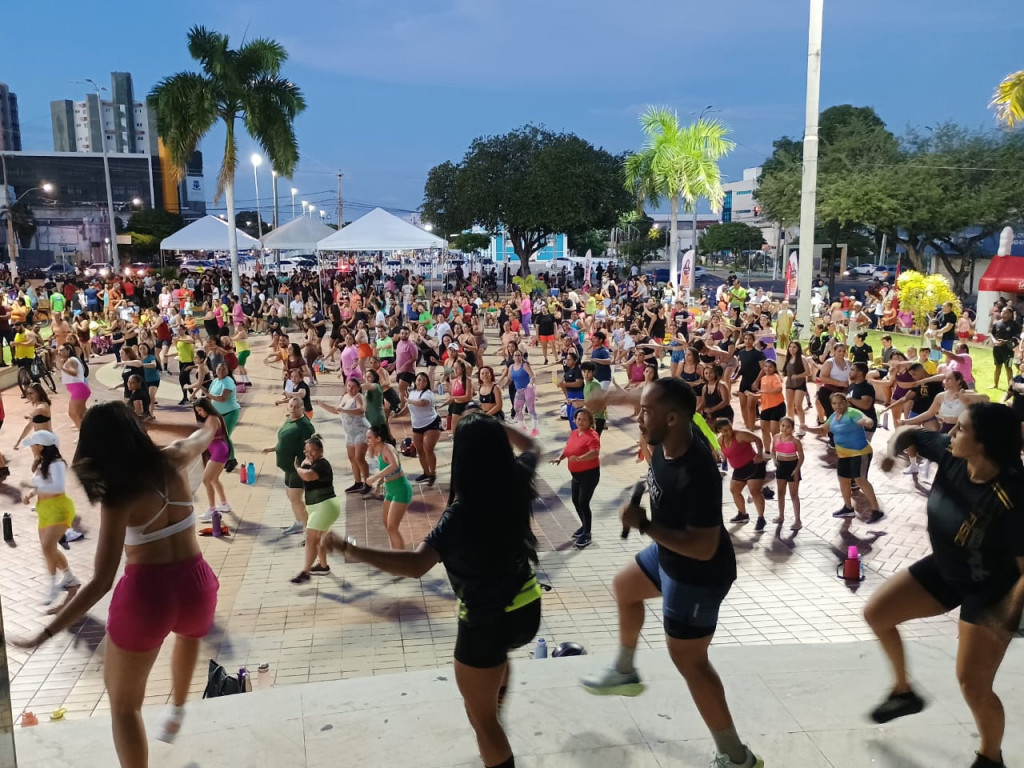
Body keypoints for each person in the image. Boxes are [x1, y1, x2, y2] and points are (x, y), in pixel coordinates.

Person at [321, 415, 542, 768]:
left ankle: (492, 730)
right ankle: (493, 707)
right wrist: (497, 428)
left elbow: (415, 565)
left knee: (480, 720)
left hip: (486, 621)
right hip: (527, 609)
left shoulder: (461, 514)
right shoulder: (516, 480)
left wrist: (351, 549)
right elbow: (532, 446)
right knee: (492, 680)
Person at [11, 402, 220, 765]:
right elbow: (205, 434)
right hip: (197, 586)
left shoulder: (119, 495)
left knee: (124, 707)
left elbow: (101, 581)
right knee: (188, 636)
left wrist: (47, 633)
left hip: (147, 598)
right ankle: (178, 709)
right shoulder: (174, 457)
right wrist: (212, 420)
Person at [579, 379, 762, 768]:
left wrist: (644, 525)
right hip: (668, 555)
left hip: (697, 574)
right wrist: (609, 398)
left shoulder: (697, 473)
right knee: (625, 587)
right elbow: (654, 397)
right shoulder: (673, 427)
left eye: (645, 413)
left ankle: (736, 757)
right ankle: (626, 672)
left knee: (691, 663)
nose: (638, 418)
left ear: (673, 419)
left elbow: (704, 547)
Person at [866, 404, 1024, 768]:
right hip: (947, 568)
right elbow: (906, 432)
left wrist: (1007, 613)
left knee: (973, 684)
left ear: (983, 444)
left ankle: (990, 757)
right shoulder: (950, 453)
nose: (951, 433)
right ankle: (904, 693)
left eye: (961, 429)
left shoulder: (1013, 496)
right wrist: (891, 454)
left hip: (991, 592)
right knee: (877, 614)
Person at [19, 431, 81, 605]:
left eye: (33, 444)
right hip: (44, 510)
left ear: (41, 445)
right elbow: (41, 486)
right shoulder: (42, 464)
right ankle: (70, 578)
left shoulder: (57, 464)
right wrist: (30, 494)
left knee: (47, 548)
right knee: (50, 549)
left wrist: (36, 485)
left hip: (59, 508)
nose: (31, 448)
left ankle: (52, 587)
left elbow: (58, 486)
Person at [808, 393, 884, 523]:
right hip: (843, 454)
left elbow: (868, 421)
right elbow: (822, 430)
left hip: (860, 453)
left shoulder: (853, 413)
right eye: (834, 404)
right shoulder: (833, 416)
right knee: (843, 480)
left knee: (860, 480)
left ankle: (876, 510)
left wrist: (866, 422)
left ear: (845, 402)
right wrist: (807, 428)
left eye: (840, 403)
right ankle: (848, 508)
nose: (837, 406)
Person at [289, 436, 340, 584]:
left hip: (323, 507)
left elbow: (308, 476)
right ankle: (323, 566)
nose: (309, 454)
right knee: (319, 539)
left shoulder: (322, 464)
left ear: (321, 451)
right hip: (322, 507)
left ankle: (305, 572)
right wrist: (304, 464)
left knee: (311, 540)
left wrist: (298, 467)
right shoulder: (313, 463)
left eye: (312, 451)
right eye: (306, 451)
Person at [262, 398, 316, 536]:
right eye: (291, 406)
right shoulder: (289, 419)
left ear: (302, 408)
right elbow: (285, 440)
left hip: (298, 468)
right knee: (291, 497)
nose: (292, 408)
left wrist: (306, 464)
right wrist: (274, 448)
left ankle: (311, 532)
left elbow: (311, 447)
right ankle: (299, 523)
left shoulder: (305, 426)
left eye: (296, 407)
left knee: (296, 499)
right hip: (288, 467)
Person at [551, 406, 601, 549]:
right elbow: (568, 449)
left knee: (583, 503)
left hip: (589, 474)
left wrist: (580, 458)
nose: (581, 422)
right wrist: (560, 457)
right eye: (578, 419)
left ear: (590, 422)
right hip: (576, 475)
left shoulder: (592, 435)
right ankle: (584, 526)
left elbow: (595, 452)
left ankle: (587, 533)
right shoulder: (574, 433)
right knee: (575, 500)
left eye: (584, 420)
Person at [317, 377, 372, 493]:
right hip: (349, 432)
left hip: (361, 430)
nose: (351, 389)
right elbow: (336, 410)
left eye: (353, 387)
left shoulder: (359, 397)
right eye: (349, 386)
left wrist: (345, 411)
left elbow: (361, 410)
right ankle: (358, 482)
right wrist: (322, 405)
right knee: (352, 458)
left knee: (359, 458)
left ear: (358, 388)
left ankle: (368, 482)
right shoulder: (345, 397)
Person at [365, 424, 413, 550]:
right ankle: (396, 553)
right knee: (387, 524)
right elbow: (386, 470)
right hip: (391, 490)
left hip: (401, 490)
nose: (367, 441)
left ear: (378, 439)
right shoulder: (379, 450)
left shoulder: (387, 448)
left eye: (369, 438)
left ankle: (401, 559)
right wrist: (379, 485)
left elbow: (394, 465)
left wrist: (374, 478)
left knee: (392, 526)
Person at [716, 420, 768, 531]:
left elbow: (757, 439)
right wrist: (721, 457)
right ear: (720, 431)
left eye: (730, 428)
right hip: (739, 469)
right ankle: (743, 514)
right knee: (734, 489)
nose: (729, 431)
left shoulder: (740, 435)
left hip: (754, 465)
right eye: (726, 430)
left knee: (754, 490)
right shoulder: (720, 440)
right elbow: (723, 453)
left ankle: (761, 518)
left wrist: (759, 454)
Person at [193, 398, 231, 523]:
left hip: (219, 451)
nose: (199, 413)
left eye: (200, 410)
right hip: (218, 450)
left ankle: (212, 509)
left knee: (206, 479)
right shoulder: (211, 418)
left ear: (206, 407)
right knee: (213, 479)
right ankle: (224, 504)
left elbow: (209, 435)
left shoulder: (213, 419)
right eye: (197, 411)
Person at [406, 371, 442, 485]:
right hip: (417, 425)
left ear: (427, 383)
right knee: (420, 450)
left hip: (431, 423)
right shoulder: (412, 393)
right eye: (419, 380)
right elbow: (408, 406)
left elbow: (423, 403)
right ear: (415, 381)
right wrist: (398, 414)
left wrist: (409, 400)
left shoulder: (428, 394)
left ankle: (433, 473)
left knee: (428, 448)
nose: (421, 382)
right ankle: (426, 473)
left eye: (424, 380)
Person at [771, 417, 804, 531]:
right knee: (780, 492)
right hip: (781, 467)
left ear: (792, 428)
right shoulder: (776, 437)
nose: (785, 429)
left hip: (792, 467)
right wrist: (774, 460)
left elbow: (801, 456)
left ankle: (798, 520)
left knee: (794, 494)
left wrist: (796, 469)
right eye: (782, 426)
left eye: (788, 426)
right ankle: (781, 515)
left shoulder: (795, 441)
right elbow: (772, 450)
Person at [207, 363, 240, 472]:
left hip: (230, 412)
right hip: (219, 414)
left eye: (223, 368)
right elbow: (210, 397)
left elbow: (222, 398)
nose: (221, 370)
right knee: (220, 437)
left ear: (227, 370)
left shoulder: (228, 381)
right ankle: (224, 458)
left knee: (225, 436)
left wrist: (207, 394)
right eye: (219, 368)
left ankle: (232, 459)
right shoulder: (215, 381)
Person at [58, 342, 90, 430]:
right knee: (82, 413)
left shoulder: (70, 360)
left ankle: (83, 434)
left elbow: (74, 373)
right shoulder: (71, 360)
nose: (59, 352)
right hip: (79, 389)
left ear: (68, 350)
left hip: (79, 389)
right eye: (58, 351)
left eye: (62, 350)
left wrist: (61, 368)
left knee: (73, 413)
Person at [990, 307, 1019, 390]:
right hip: (997, 349)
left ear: (1010, 314)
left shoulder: (1014, 324)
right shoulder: (997, 323)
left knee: (1008, 367)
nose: (1002, 313)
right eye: (1002, 311)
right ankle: (995, 385)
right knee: (997, 366)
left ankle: (1010, 387)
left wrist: (1005, 341)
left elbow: (1016, 337)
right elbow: (992, 334)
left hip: (1008, 350)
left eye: (1005, 312)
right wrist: (995, 341)